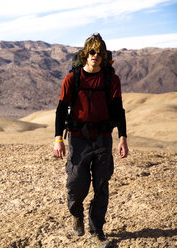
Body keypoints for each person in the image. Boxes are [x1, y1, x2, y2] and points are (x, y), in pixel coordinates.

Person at [53, 33, 128, 248]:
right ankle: (76, 213)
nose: (96, 55)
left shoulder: (111, 79)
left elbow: (118, 110)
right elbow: (60, 110)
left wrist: (123, 137)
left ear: (104, 56)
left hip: (103, 139)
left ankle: (97, 231)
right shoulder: (73, 79)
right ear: (86, 54)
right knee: (76, 184)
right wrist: (58, 138)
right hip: (78, 139)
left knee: (102, 184)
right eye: (92, 51)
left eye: (99, 52)